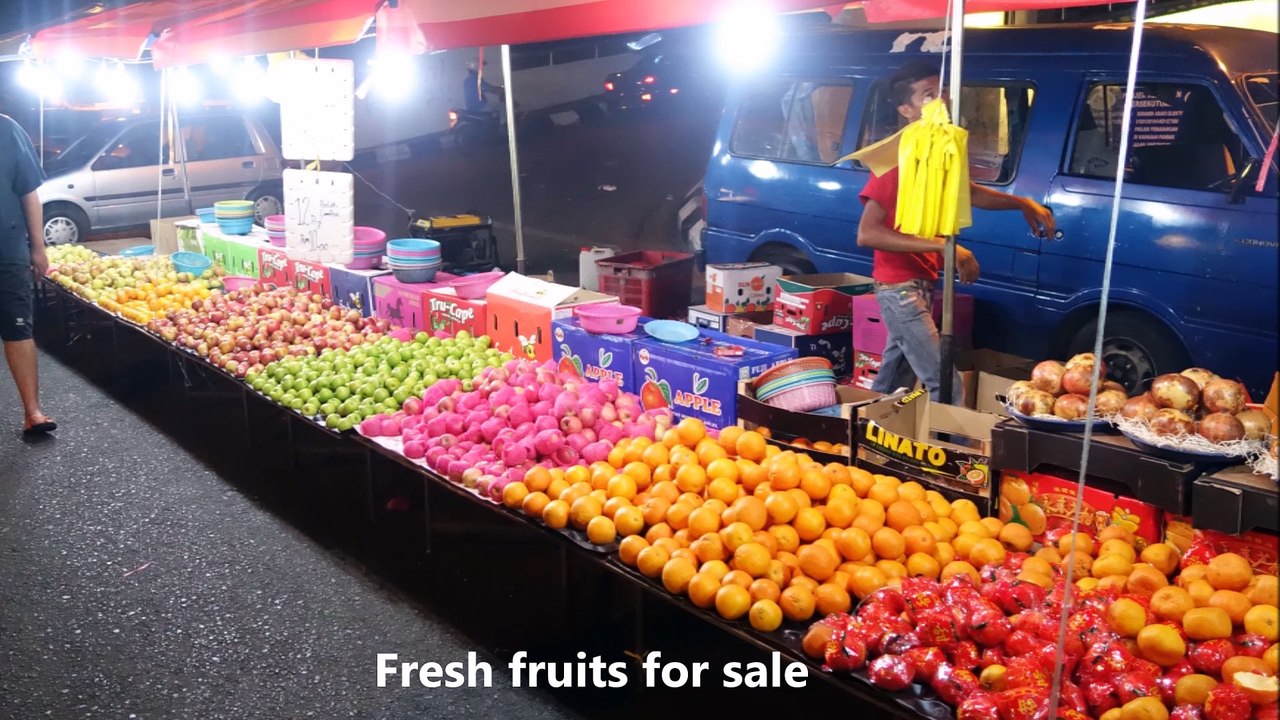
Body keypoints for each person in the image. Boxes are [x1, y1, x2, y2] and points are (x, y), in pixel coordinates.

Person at [857, 62, 1055, 404]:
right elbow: (867, 234)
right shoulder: (895, 164)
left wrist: (1022, 203)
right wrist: (946, 248)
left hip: (920, 283)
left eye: (943, 93)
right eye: (928, 96)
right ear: (906, 110)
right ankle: (953, 451)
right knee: (946, 384)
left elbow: (970, 193)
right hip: (898, 289)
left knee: (894, 380)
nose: (942, 102)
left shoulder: (937, 157)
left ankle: (860, 433)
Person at [1, 113, 54, 434]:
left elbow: (28, 192)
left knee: (18, 330)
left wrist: (38, 247)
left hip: (6, 251)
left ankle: (32, 412)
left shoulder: (6, 129)